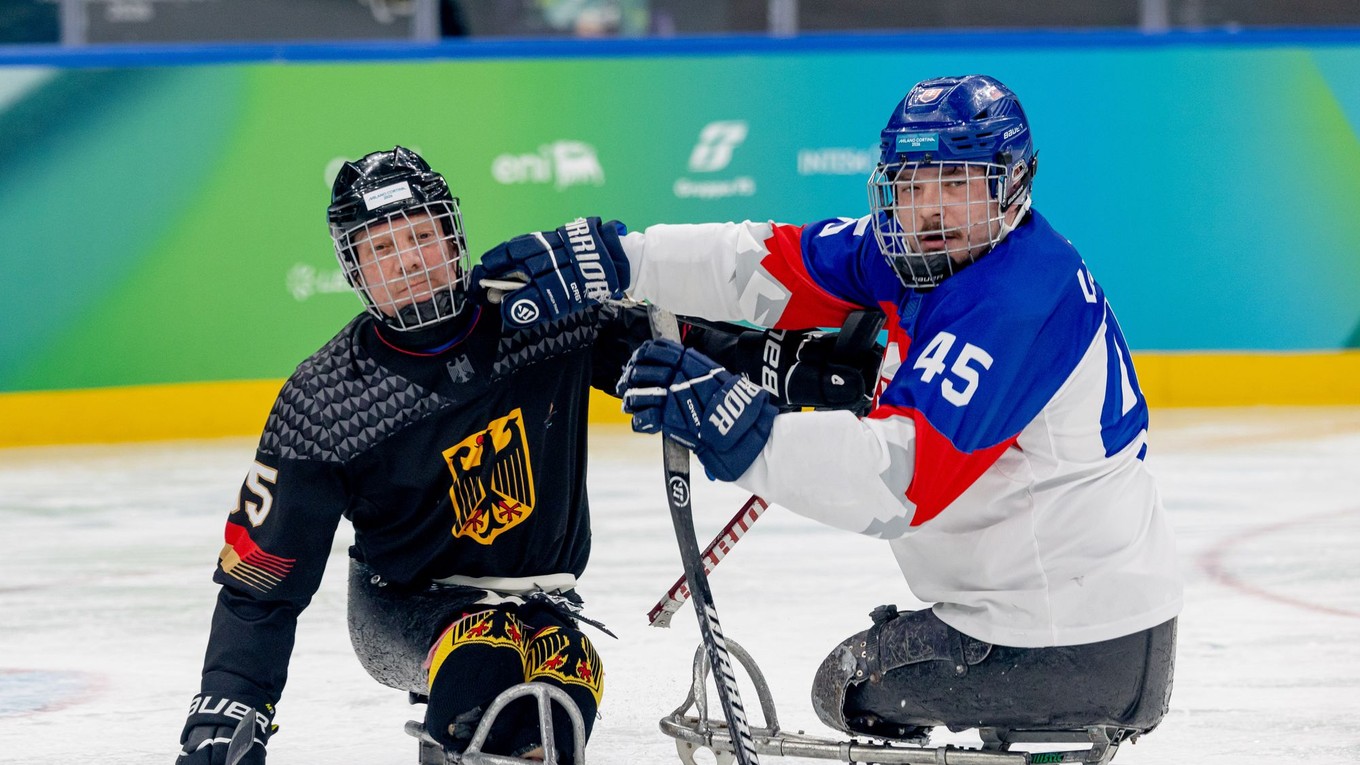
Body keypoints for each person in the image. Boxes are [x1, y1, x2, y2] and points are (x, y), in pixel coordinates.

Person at [477, 75, 1183, 746]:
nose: (931, 208)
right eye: (913, 185)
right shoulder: (934, 252)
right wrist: (619, 259)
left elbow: (897, 482)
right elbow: (770, 264)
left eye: (959, 184)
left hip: (1059, 641)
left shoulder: (1012, 299)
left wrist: (738, 424)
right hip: (1080, 617)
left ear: (1012, 188)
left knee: (845, 686)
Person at [173, 146, 880, 765]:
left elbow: (672, 354)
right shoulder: (328, 399)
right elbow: (260, 582)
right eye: (382, 249)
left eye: (421, 236)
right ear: (354, 270)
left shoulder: (539, 311)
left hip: (543, 607)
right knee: (487, 665)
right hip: (403, 611)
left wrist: (809, 369)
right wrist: (232, 707)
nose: (409, 262)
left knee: (559, 695)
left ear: (454, 237)